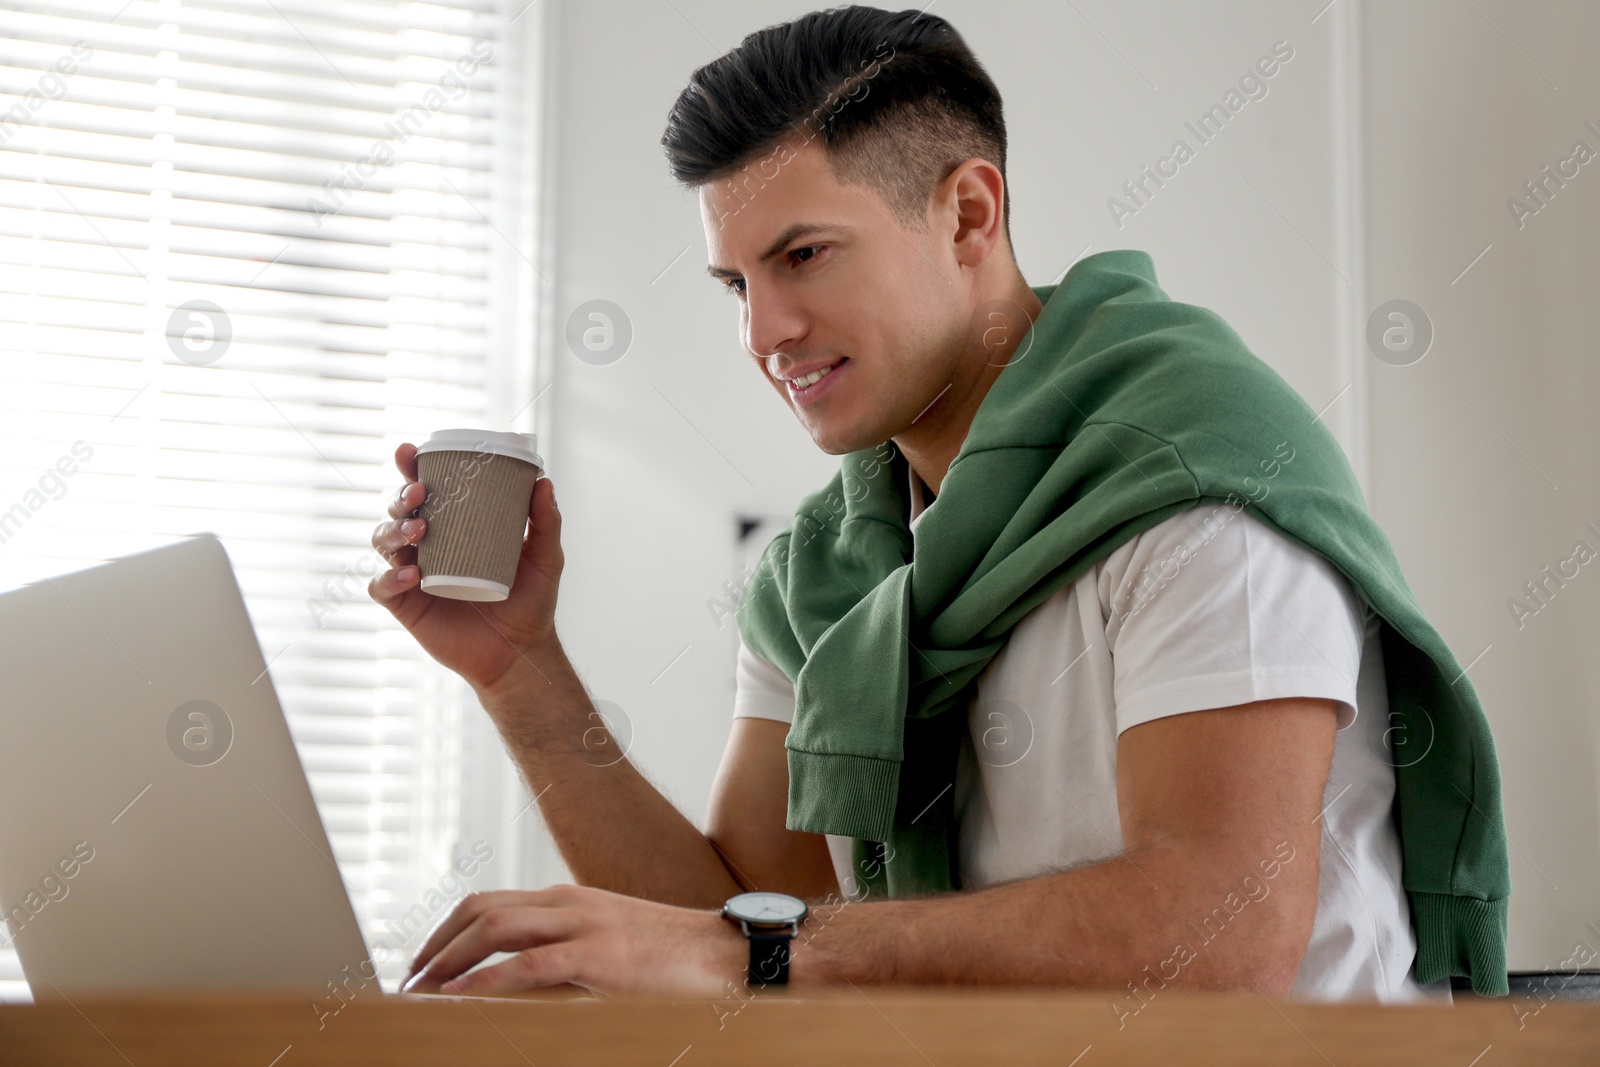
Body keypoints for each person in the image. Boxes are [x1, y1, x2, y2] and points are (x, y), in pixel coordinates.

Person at [372, 6, 1506, 1003]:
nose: (761, 333)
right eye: (737, 284)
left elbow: (1224, 929)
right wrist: (520, 672)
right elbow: (736, 916)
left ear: (968, 215)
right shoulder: (829, 572)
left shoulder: (1197, 486)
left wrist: (756, 956)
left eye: (803, 255)